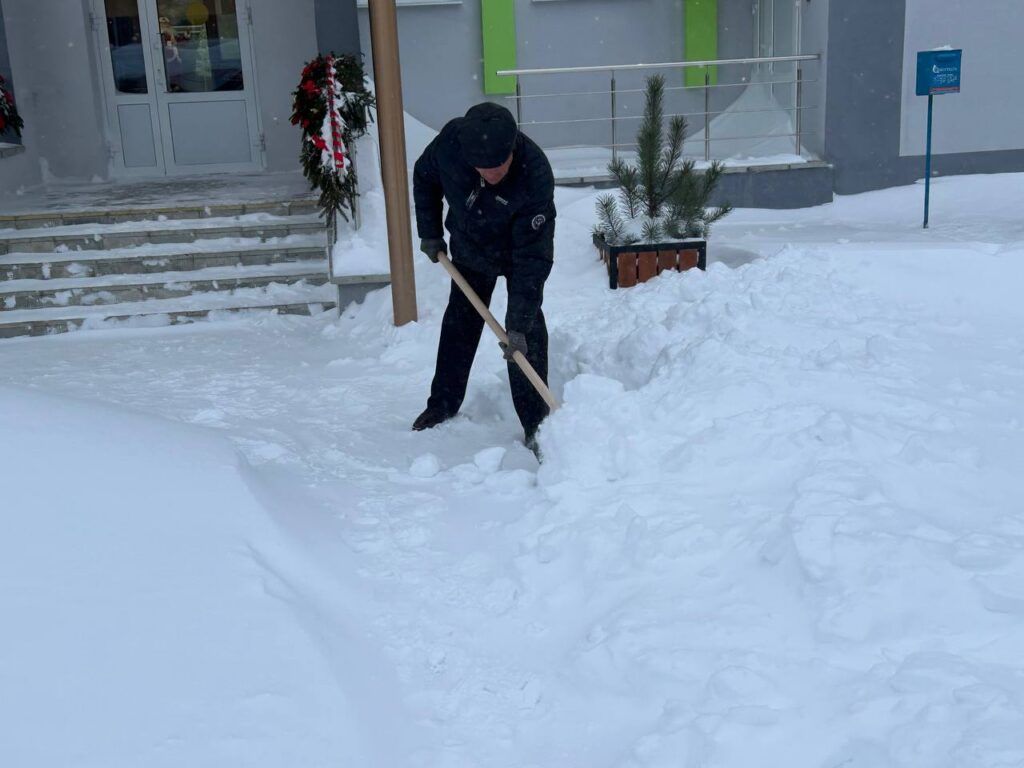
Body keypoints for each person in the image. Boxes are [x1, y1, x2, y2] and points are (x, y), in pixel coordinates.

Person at [411, 102, 556, 453]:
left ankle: (536, 425)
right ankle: (442, 403)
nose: (491, 174)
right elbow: (424, 176)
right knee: (459, 326)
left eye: (499, 166)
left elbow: (533, 259)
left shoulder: (534, 173)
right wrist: (430, 232)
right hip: (470, 250)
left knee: (525, 336)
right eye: (483, 168)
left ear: (512, 149)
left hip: (517, 253)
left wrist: (517, 324)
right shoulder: (450, 144)